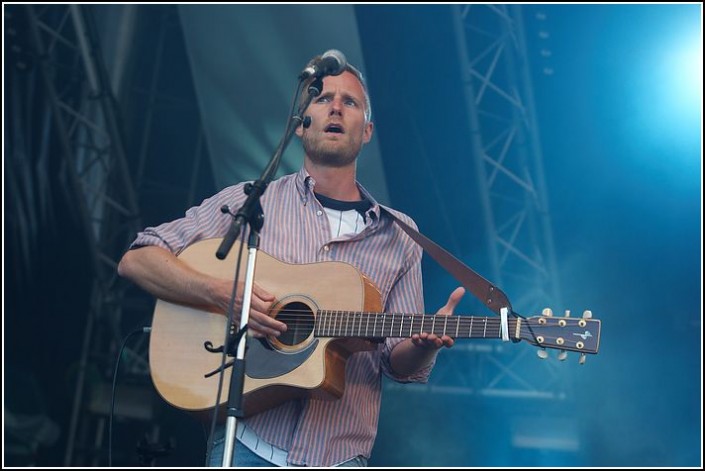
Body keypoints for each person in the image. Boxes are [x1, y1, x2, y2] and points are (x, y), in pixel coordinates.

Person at [117, 58, 465, 467]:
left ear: (366, 131)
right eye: (324, 99)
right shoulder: (251, 201)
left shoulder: (400, 234)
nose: (335, 108)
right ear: (302, 123)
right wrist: (221, 293)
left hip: (338, 456)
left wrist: (422, 347)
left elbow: (396, 363)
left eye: (350, 102)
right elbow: (137, 259)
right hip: (245, 444)